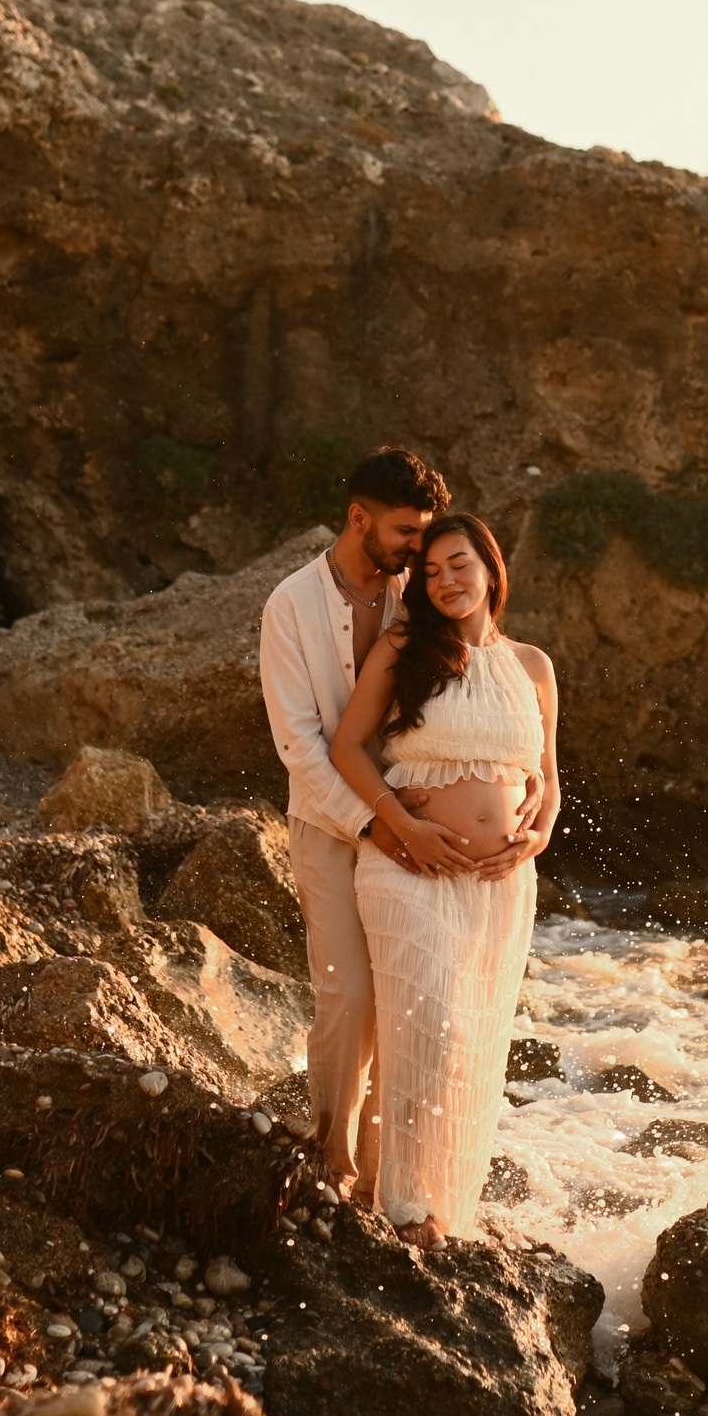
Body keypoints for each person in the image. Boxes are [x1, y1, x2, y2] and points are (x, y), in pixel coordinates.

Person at [258, 450, 536, 1200]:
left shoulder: (421, 589)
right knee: (348, 998)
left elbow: (483, 693)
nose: (420, 551)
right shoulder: (291, 605)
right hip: (333, 821)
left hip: (417, 832)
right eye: (407, 533)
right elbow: (303, 745)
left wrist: (527, 804)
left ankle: (390, 1181)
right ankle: (330, 1162)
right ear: (359, 519)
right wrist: (383, 824)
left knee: (412, 1008)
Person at [330, 513, 559, 1246]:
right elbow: (347, 746)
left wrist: (538, 834)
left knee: (470, 1047)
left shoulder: (532, 666)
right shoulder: (405, 646)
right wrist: (400, 820)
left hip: (498, 886)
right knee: (429, 1025)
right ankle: (403, 1207)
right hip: (410, 868)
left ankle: (436, 1203)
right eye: (430, 572)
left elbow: (548, 780)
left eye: (459, 564)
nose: (445, 581)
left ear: (490, 567)